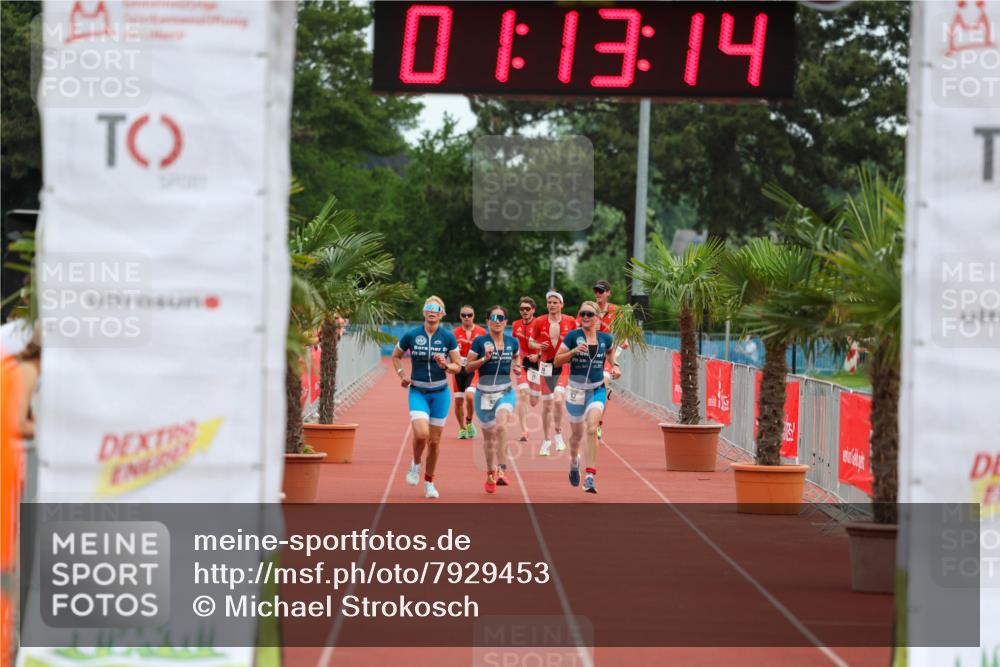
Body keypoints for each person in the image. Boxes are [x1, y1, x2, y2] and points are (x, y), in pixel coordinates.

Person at [391, 296, 463, 498]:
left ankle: (429, 482)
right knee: (422, 434)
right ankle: (415, 463)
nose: (432, 311)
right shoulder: (412, 335)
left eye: (436, 309)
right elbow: (396, 356)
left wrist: (445, 365)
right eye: (429, 307)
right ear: (424, 312)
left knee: (434, 442)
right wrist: (402, 375)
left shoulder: (448, 337)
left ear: (442, 314)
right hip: (418, 392)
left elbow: (458, 366)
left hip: (440, 394)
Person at [554, 301, 621, 494]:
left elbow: (610, 353)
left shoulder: (605, 338)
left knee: (592, 429)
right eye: (582, 313)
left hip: (596, 389)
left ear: (597, 317)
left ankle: (590, 476)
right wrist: (573, 352)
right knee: (576, 435)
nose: (585, 317)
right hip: (575, 391)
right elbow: (557, 361)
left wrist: (616, 366)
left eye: (589, 314)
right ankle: (574, 462)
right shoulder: (573, 337)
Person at [465, 306, 520, 493]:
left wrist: (517, 367)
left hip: (505, 392)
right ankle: (490, 472)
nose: (497, 321)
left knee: (502, 426)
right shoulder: (480, 342)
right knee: (488, 439)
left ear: (506, 322)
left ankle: (502, 470)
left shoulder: (512, 342)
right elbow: (468, 367)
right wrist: (484, 359)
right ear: (488, 321)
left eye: (501, 318)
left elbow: (517, 357)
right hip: (484, 394)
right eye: (494, 318)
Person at [528, 290, 576, 456]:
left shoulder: (570, 321)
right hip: (546, 365)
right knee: (547, 404)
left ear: (561, 305)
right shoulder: (539, 321)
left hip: (563, 364)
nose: (552, 305)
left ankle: (558, 433)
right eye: (549, 302)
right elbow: (531, 341)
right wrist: (538, 346)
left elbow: (579, 338)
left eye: (555, 302)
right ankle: (547, 440)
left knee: (558, 399)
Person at [591, 280, 625, 444]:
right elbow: (578, 326)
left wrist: (625, 340)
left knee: (603, 384)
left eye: (601, 291)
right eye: (596, 291)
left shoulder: (616, 311)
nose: (598, 294)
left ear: (608, 293)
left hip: (608, 352)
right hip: (590, 353)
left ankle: (598, 422)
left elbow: (624, 330)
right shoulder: (589, 309)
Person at [451, 305, 486, 440]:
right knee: (458, 401)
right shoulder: (454, 333)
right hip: (458, 370)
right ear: (460, 316)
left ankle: (469, 421)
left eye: (469, 315)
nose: (467, 317)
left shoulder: (482, 332)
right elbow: (448, 351)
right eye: (464, 315)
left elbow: (487, 350)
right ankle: (462, 428)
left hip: (473, 369)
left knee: (470, 397)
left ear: (474, 316)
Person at [510, 296, 538, 442]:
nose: (524, 311)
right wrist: (514, 362)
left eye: (527, 309)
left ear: (533, 310)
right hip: (522, 362)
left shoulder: (540, 324)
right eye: (522, 309)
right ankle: (525, 431)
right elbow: (514, 344)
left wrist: (538, 355)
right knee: (522, 393)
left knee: (533, 401)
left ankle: (536, 392)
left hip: (537, 363)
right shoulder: (516, 325)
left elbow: (547, 344)